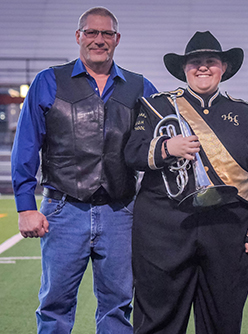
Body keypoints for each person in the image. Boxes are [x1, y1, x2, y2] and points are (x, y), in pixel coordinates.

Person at [11, 7, 157, 333]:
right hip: (63, 210)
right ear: (79, 36)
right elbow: (26, 146)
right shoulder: (48, 81)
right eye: (91, 32)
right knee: (54, 307)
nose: (99, 40)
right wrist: (25, 207)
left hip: (120, 211)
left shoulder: (140, 87)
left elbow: (158, 144)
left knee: (118, 307)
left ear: (117, 39)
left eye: (106, 34)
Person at [124, 31, 248, 333]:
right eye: (195, 63)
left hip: (227, 234)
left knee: (223, 321)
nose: (203, 68)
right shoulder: (156, 107)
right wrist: (167, 148)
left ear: (224, 68)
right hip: (164, 231)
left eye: (211, 62)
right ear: (184, 69)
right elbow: (132, 152)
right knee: (158, 321)